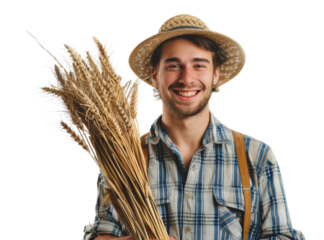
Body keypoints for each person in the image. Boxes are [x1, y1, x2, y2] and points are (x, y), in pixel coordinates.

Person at [83, 12, 306, 240]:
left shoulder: (257, 156)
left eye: (199, 65)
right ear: (155, 75)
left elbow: (282, 237)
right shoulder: (121, 159)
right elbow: (100, 235)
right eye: (173, 66)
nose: (186, 78)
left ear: (215, 74)